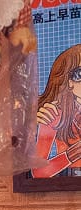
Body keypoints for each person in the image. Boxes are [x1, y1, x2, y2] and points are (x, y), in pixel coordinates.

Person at [32, 45, 81, 177]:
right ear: (68, 81)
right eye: (80, 74)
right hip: (67, 182)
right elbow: (37, 171)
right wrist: (71, 155)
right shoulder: (53, 114)